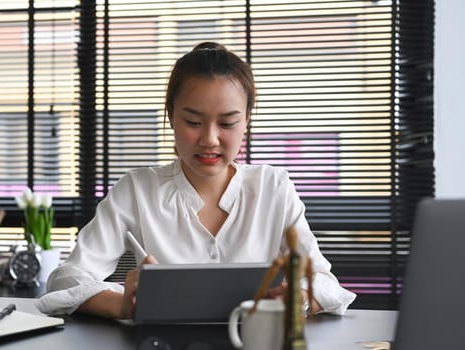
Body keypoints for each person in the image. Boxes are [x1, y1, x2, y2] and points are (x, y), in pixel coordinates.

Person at [35, 42, 356, 319]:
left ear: (247, 120)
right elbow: (66, 278)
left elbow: (324, 283)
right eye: (192, 121)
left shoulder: (274, 187)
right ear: (170, 116)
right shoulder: (137, 189)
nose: (210, 139)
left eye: (228, 123)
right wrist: (122, 304)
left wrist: (299, 298)